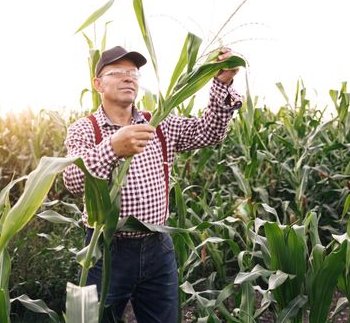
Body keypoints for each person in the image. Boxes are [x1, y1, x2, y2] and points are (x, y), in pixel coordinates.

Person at [63, 45, 242, 322]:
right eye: (118, 72)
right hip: (106, 251)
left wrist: (222, 82)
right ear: (97, 84)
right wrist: (113, 147)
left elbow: (210, 133)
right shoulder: (85, 129)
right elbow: (73, 181)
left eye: (133, 73)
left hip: (158, 248)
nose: (128, 78)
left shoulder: (158, 122)